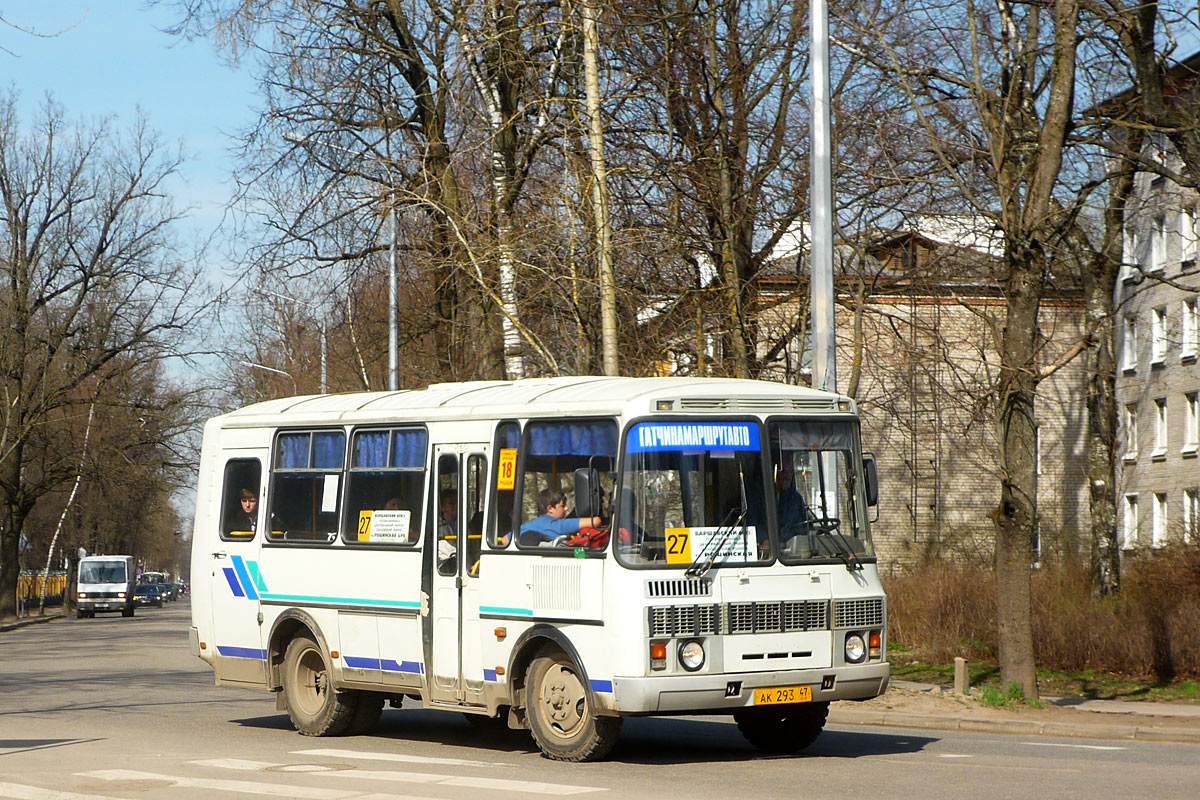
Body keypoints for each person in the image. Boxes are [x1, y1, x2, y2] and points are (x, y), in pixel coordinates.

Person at [519, 487, 602, 545]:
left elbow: (505, 539)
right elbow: (596, 521)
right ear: (550, 508)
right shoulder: (559, 525)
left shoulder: (526, 526)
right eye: (562, 506)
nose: (566, 508)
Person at [437, 488, 457, 570]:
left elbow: (474, 551)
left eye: (457, 502)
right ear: (443, 507)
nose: (455, 506)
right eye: (452, 503)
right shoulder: (436, 527)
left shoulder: (467, 527)